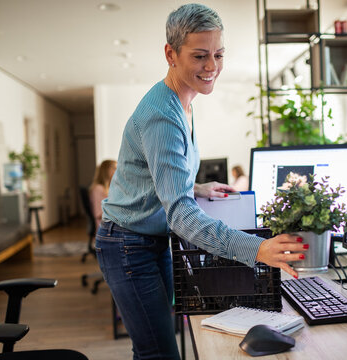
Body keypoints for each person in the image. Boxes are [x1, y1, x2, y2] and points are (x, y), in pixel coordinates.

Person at [95, 4, 308, 359]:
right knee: (158, 353)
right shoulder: (163, 115)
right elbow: (181, 216)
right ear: (171, 54)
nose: (212, 67)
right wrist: (256, 250)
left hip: (147, 239)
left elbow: (159, 177)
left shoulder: (183, 100)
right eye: (200, 56)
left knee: (157, 347)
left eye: (218, 54)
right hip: (128, 246)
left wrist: (196, 187)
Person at [89, 159, 116, 228]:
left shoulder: (109, 188)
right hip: (105, 227)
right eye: (114, 168)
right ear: (106, 170)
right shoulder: (98, 189)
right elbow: (99, 214)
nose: (117, 171)